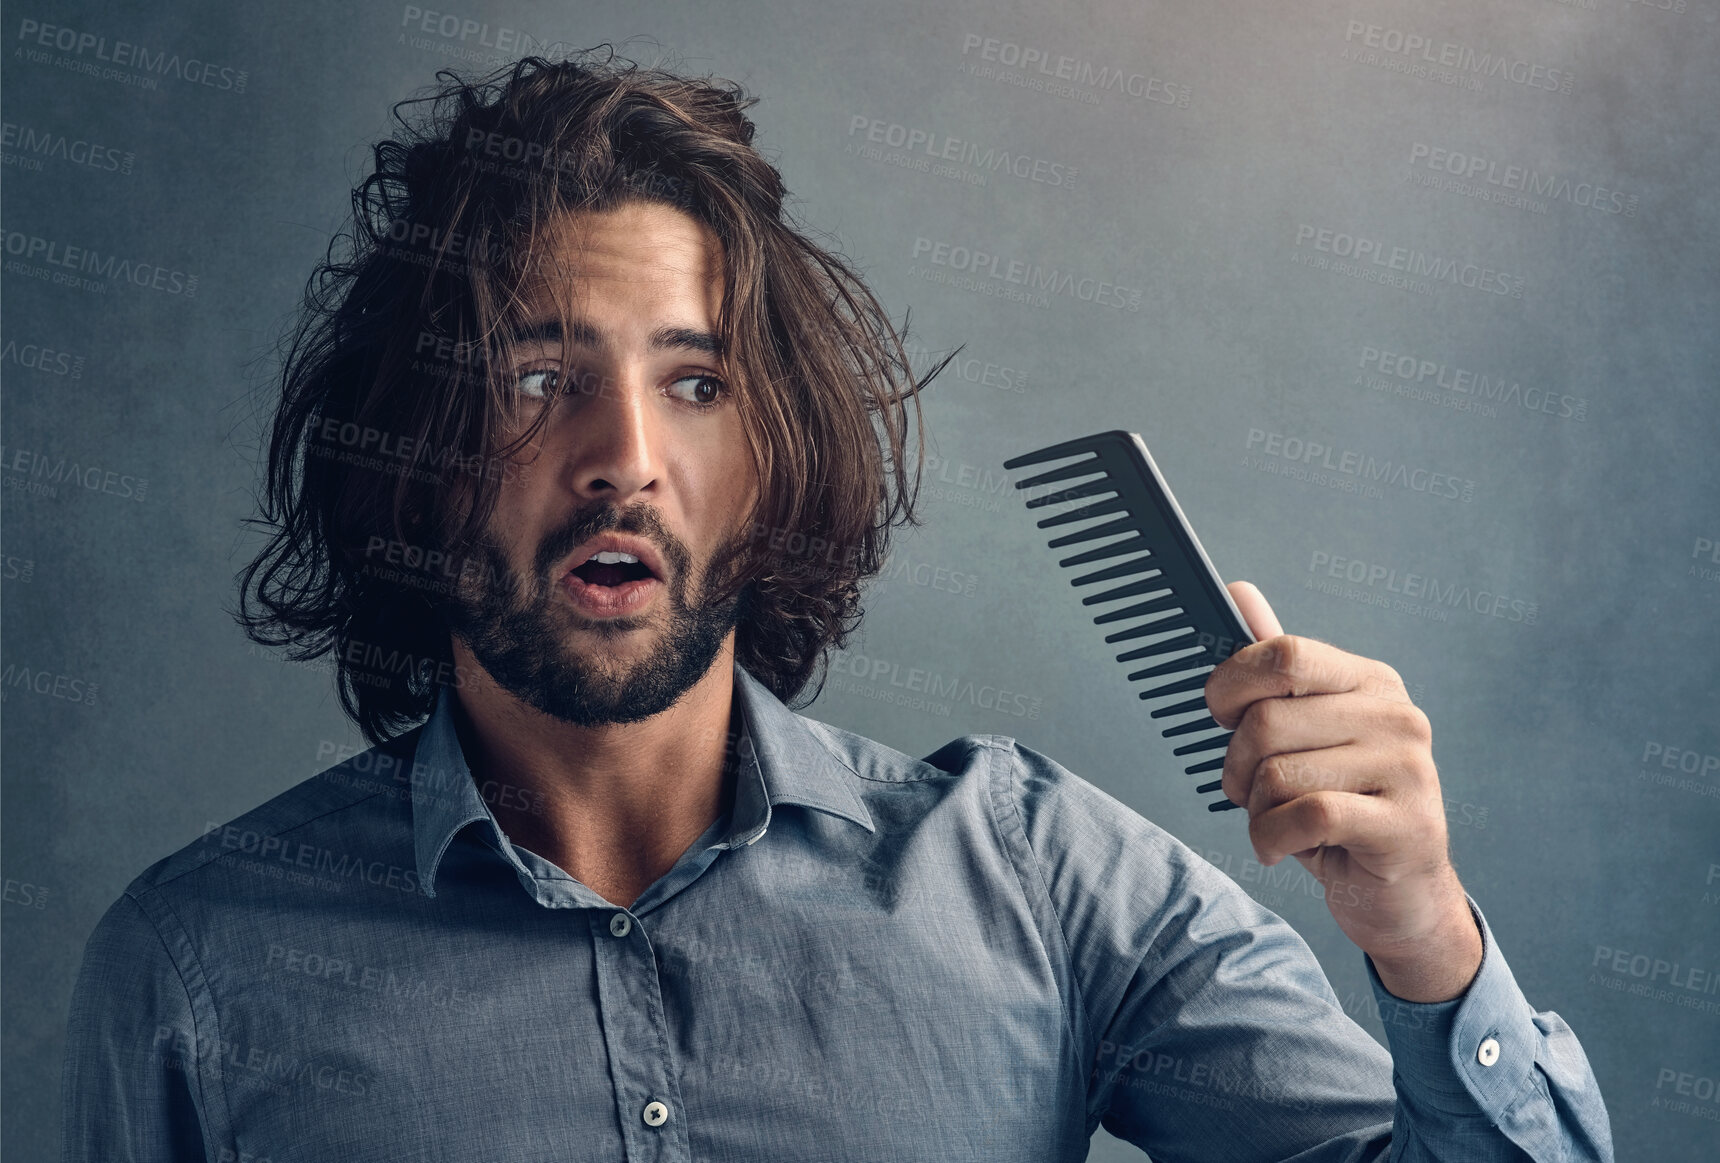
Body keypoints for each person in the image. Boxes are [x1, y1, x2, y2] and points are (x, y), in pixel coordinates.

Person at [61, 51, 1612, 1162]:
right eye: (537, 380)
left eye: (697, 384)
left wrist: (1420, 936)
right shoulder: (201, 970)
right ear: (419, 455)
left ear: (773, 455)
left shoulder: (1035, 882)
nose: (625, 461)